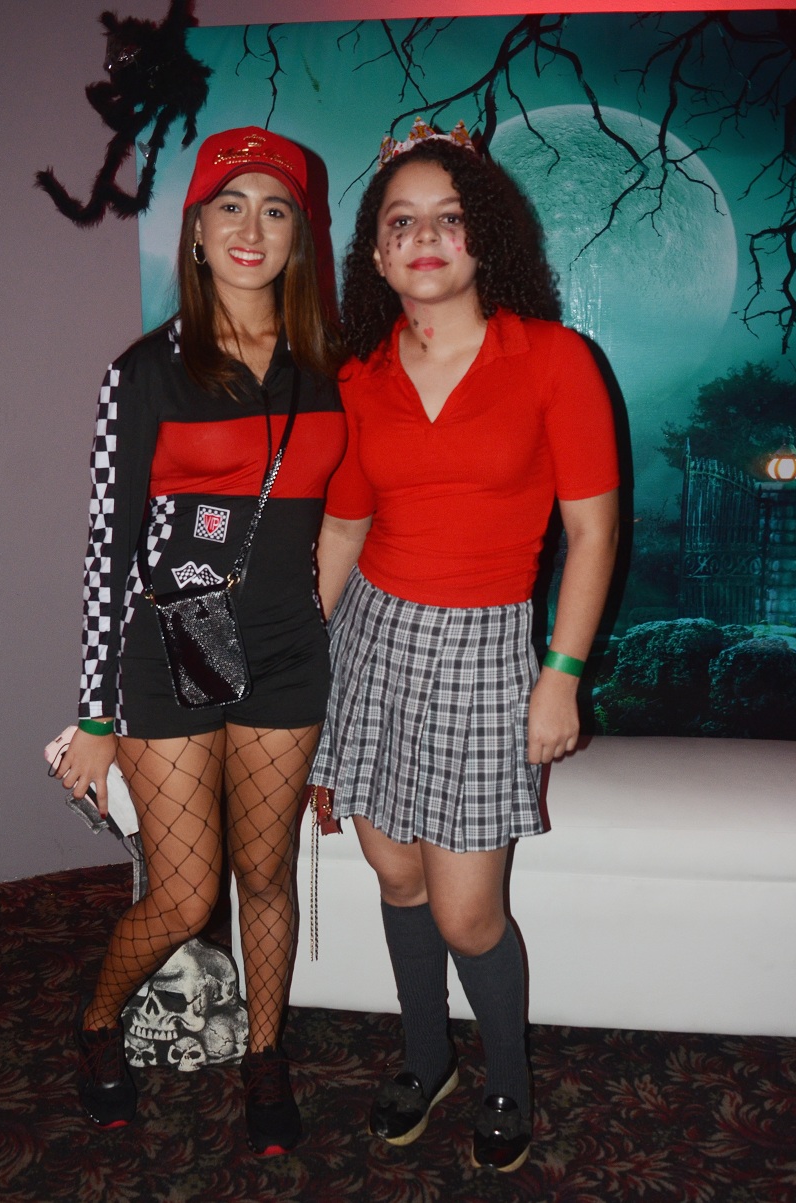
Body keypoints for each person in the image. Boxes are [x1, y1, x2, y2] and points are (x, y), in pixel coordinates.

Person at [310, 118, 619, 1172]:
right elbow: (343, 531)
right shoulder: (359, 376)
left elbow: (591, 532)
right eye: (402, 222)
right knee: (392, 873)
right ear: (376, 251)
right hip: (371, 640)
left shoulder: (554, 359)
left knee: (468, 911)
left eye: (448, 218)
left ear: (483, 236)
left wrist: (560, 675)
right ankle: (424, 1054)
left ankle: (506, 1079)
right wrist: (302, 665)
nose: (425, 239)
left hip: (486, 649)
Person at [55, 126, 346, 1153]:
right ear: (194, 231)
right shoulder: (142, 373)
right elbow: (108, 549)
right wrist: (94, 714)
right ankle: (98, 1025)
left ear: (299, 235)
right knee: (183, 896)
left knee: (267, 876)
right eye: (229, 205)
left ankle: (265, 1054)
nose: (250, 227)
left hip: (287, 654)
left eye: (274, 208)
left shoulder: (330, 373)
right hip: (165, 655)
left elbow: (346, 526)